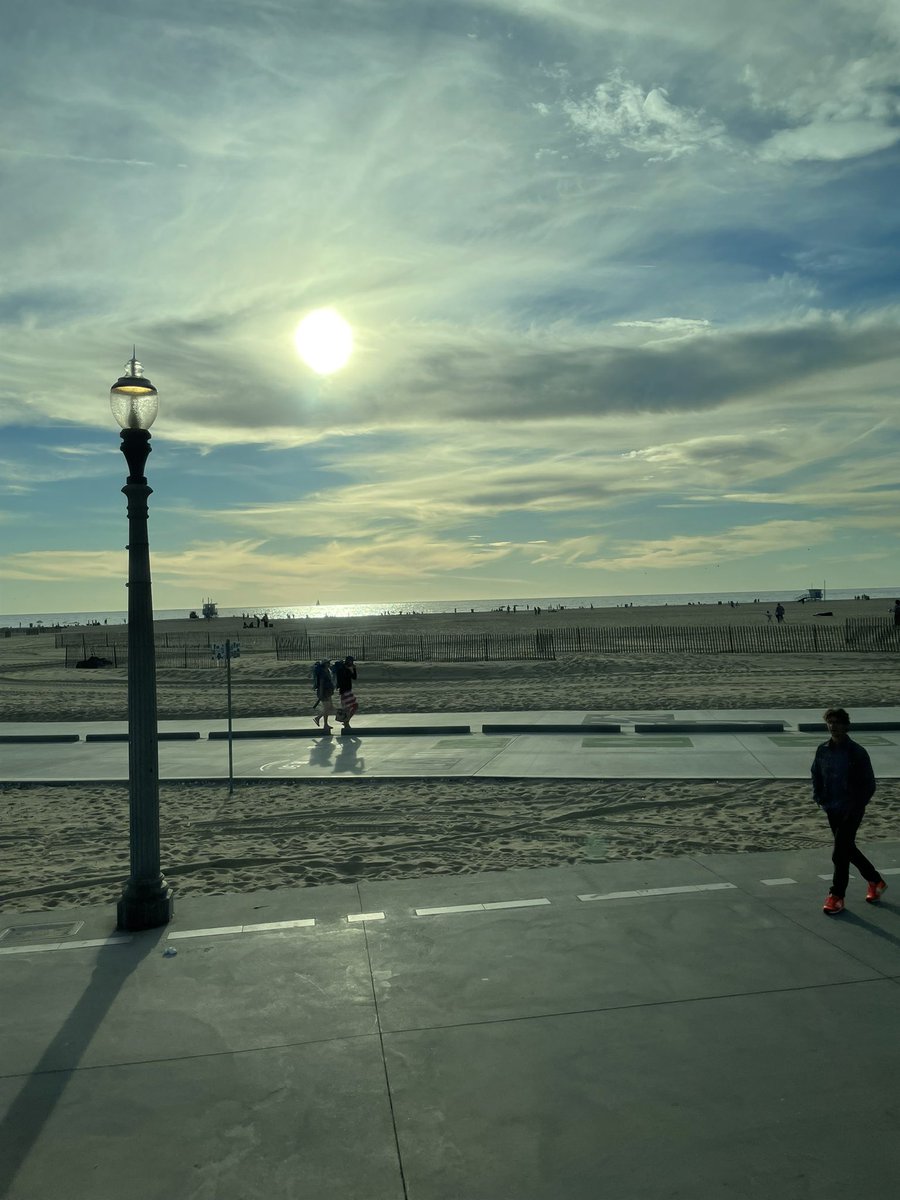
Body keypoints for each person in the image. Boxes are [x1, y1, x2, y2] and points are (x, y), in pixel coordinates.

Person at [811, 707, 886, 915]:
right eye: (830, 722)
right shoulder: (823, 749)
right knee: (847, 848)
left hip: (851, 810)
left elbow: (869, 784)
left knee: (839, 853)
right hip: (832, 808)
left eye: (837, 722)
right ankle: (875, 881)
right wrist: (819, 797)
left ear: (846, 726)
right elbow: (816, 773)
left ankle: (836, 896)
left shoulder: (857, 752)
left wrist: (856, 806)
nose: (833, 726)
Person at [334, 655, 358, 732]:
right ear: (348, 661)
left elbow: (354, 677)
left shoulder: (347, 668)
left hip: (348, 691)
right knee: (347, 708)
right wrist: (349, 670)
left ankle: (346, 721)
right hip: (344, 691)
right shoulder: (342, 669)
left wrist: (354, 669)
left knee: (355, 706)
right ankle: (346, 723)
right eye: (351, 661)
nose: (352, 663)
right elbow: (345, 678)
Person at [312, 659, 336, 734]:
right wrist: (321, 694)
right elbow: (321, 683)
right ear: (325, 664)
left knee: (330, 707)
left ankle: (322, 721)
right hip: (323, 692)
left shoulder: (327, 671)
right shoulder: (322, 672)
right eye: (328, 663)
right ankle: (322, 722)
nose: (329, 664)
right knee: (327, 708)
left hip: (328, 691)